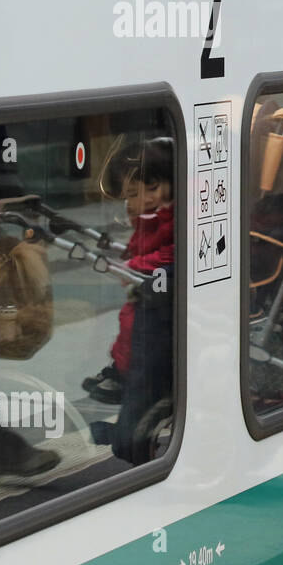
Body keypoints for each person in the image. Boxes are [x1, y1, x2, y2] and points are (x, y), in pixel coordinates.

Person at [83, 138, 176, 404]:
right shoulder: (153, 216)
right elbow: (141, 243)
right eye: (133, 195)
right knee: (128, 321)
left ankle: (124, 374)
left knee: (134, 323)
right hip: (148, 282)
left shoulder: (175, 217)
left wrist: (134, 265)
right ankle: (119, 369)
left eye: (154, 188)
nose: (145, 199)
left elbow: (174, 251)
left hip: (159, 283)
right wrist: (129, 255)